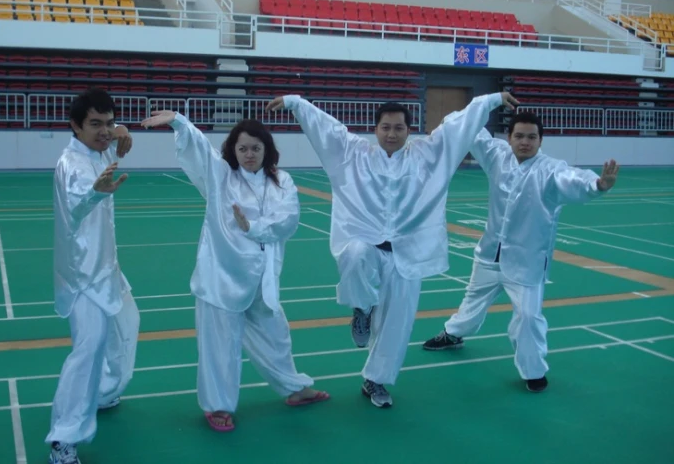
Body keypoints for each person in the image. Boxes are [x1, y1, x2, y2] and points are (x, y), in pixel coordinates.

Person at [265, 90, 519, 408]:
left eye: (399, 128)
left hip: (407, 253)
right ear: (375, 129)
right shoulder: (355, 155)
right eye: (386, 127)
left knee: (398, 323)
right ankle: (362, 309)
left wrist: (491, 99)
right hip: (367, 243)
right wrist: (295, 103)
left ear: (409, 131)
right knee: (355, 254)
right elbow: (326, 129)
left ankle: (376, 381)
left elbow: (459, 128)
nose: (392, 134)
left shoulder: (428, 155)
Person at [140, 110, 329, 432]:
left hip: (263, 279)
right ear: (233, 151)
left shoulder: (282, 181)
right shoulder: (221, 177)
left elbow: (288, 220)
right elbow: (198, 148)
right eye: (243, 149)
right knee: (220, 347)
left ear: (267, 149)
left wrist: (252, 226)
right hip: (221, 278)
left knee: (276, 335)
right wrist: (179, 122)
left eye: (256, 148)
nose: (250, 154)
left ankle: (294, 389)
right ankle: (218, 407)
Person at [422, 112, 619, 392]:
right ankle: (453, 334)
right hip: (490, 254)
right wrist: (449, 121)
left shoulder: (551, 170)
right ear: (509, 138)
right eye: (519, 136)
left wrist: (598, 185)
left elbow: (574, 179)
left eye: (531, 137)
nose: (525, 142)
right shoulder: (497, 156)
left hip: (527, 263)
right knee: (473, 300)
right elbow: (474, 132)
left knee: (528, 317)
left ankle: (534, 370)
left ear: (540, 140)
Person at [47, 88, 140, 464]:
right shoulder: (70, 165)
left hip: (107, 266)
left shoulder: (98, 148)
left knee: (128, 322)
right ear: (75, 126)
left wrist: (121, 133)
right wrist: (96, 193)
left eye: (107, 122)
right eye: (95, 125)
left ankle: (103, 393)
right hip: (82, 274)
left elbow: (113, 138)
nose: (103, 130)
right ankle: (63, 440)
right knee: (88, 348)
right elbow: (79, 201)